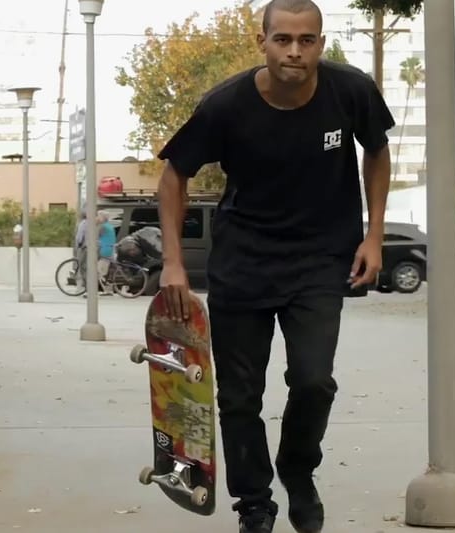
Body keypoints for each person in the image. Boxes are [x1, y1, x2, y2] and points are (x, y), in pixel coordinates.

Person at [155, 1, 395, 532]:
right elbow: (174, 176)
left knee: (314, 381)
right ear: (261, 42)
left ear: (320, 43)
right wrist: (174, 263)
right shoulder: (226, 105)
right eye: (283, 39)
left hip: (319, 259)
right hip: (244, 262)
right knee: (240, 395)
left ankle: (297, 467)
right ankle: (255, 505)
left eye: (306, 40)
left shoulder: (350, 91)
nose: (294, 51)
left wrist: (375, 235)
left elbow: (377, 152)